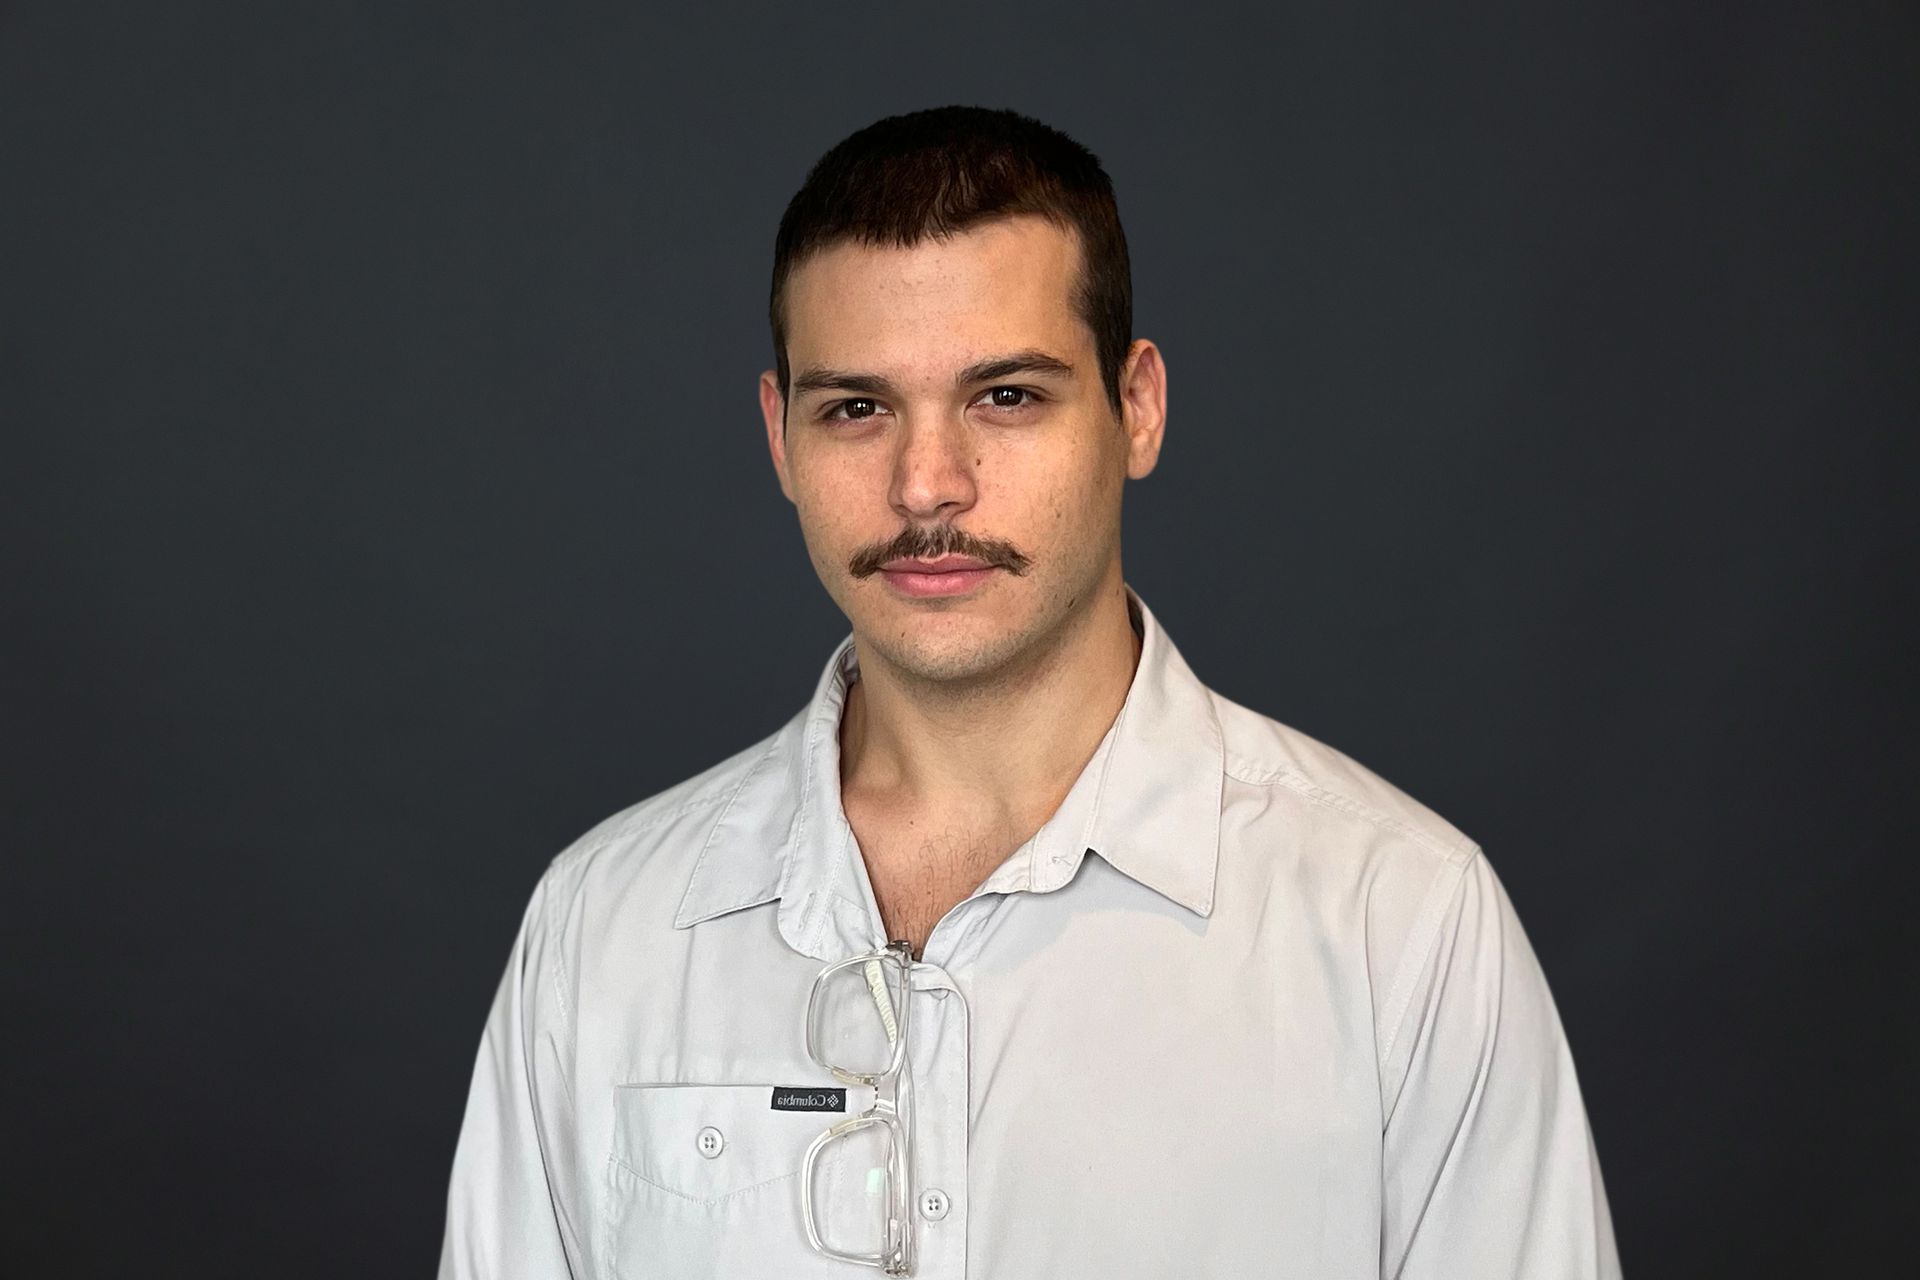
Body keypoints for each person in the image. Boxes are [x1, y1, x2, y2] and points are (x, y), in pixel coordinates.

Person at [437, 105, 1622, 1279]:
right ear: (779, 437)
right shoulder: (605, 930)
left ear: (1138, 406)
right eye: (857, 407)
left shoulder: (1397, 926)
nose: (926, 485)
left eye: (1006, 395)